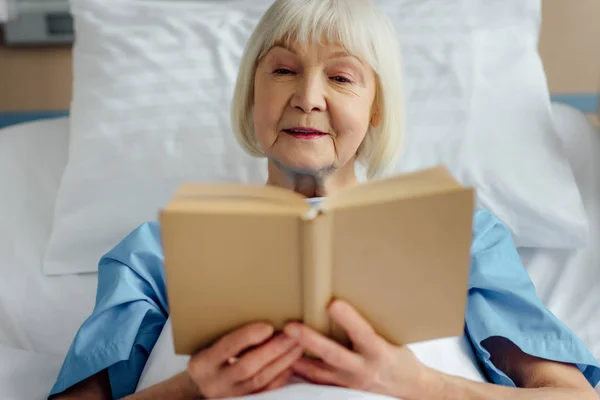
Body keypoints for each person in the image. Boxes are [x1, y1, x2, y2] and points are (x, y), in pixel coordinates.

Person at [49, 0, 600, 399]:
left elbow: (570, 396)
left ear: (375, 110)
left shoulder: (464, 235)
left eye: (341, 78)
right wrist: (190, 390)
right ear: (251, 98)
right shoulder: (157, 252)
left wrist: (419, 385)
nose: (308, 98)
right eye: (284, 70)